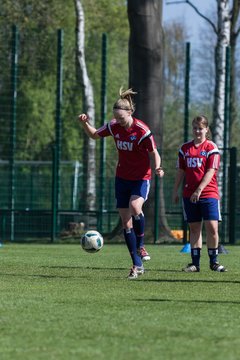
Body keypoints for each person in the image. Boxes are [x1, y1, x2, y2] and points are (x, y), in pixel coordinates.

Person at [79, 88, 164, 279]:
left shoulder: (142, 130)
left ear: (130, 113)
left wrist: (158, 167)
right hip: (122, 178)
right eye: (116, 118)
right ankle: (137, 265)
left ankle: (141, 245)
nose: (119, 122)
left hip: (141, 177)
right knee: (126, 224)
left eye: (122, 118)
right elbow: (94, 135)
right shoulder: (113, 126)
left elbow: (154, 153)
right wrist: (85, 123)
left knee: (135, 207)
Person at [172, 115, 227, 273]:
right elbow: (181, 171)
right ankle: (195, 264)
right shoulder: (185, 149)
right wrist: (175, 190)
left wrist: (199, 190)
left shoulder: (211, 148)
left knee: (212, 228)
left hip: (208, 193)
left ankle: (214, 262)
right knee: (194, 229)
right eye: (195, 128)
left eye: (200, 128)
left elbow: (211, 171)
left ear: (206, 129)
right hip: (189, 194)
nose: (197, 131)